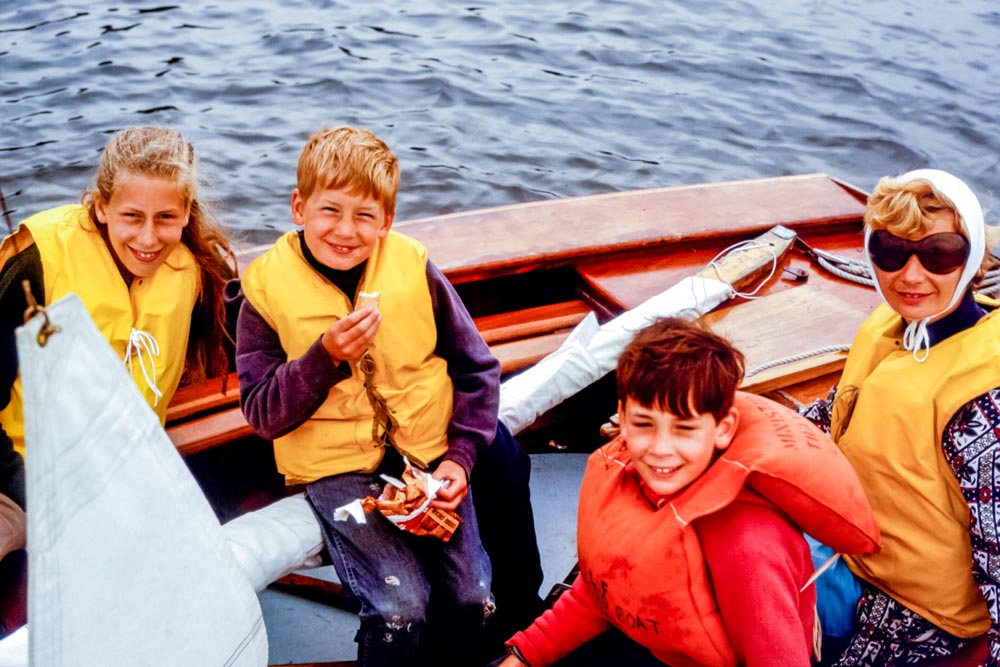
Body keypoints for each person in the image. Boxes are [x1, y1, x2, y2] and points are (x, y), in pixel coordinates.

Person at [235, 125, 541, 666]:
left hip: (431, 459)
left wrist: (461, 461)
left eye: (364, 216)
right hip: (339, 472)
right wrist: (323, 357)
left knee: (473, 596)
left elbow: (477, 369)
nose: (346, 231)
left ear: (387, 221)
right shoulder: (263, 290)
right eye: (330, 210)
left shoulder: (414, 266)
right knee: (400, 608)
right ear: (298, 207)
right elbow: (262, 413)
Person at [500, 317, 879, 667]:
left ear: (723, 428)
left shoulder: (748, 546)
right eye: (645, 424)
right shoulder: (626, 476)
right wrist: (523, 656)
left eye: (684, 428)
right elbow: (604, 592)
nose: (661, 449)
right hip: (656, 641)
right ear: (623, 418)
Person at [0, 125, 235, 634]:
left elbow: (241, 348)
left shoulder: (193, 273)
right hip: (16, 474)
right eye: (131, 216)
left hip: (120, 476)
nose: (148, 238)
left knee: (172, 590)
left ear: (186, 215)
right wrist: (33, 497)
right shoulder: (36, 259)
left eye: (165, 218)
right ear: (100, 206)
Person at [800, 169, 1000, 666]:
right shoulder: (891, 328)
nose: (911, 276)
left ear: (972, 259)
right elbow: (830, 418)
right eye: (891, 251)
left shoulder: (984, 399)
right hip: (845, 549)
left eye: (939, 254)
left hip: (913, 608)